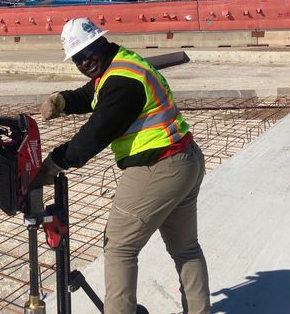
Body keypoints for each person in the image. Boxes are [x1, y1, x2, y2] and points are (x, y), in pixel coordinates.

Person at [40, 18, 211, 314]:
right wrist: (63, 101)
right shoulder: (121, 64)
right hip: (186, 160)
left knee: (119, 248)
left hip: (158, 166)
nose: (84, 62)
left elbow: (93, 136)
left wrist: (53, 163)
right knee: (186, 248)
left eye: (88, 52)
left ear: (101, 43)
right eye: (77, 58)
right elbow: (91, 94)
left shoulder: (122, 82)